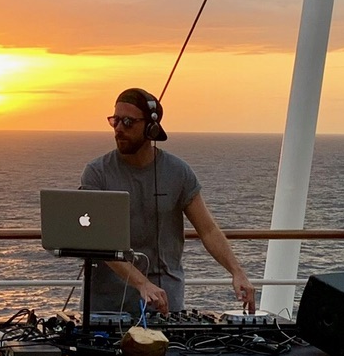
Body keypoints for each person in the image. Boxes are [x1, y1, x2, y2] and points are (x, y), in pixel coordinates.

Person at [80, 87, 256, 318]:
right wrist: (142, 283)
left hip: (164, 304)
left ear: (151, 128)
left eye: (128, 122)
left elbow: (208, 230)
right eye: (115, 120)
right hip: (105, 306)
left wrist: (237, 272)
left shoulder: (178, 172)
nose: (119, 128)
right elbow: (98, 240)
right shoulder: (96, 173)